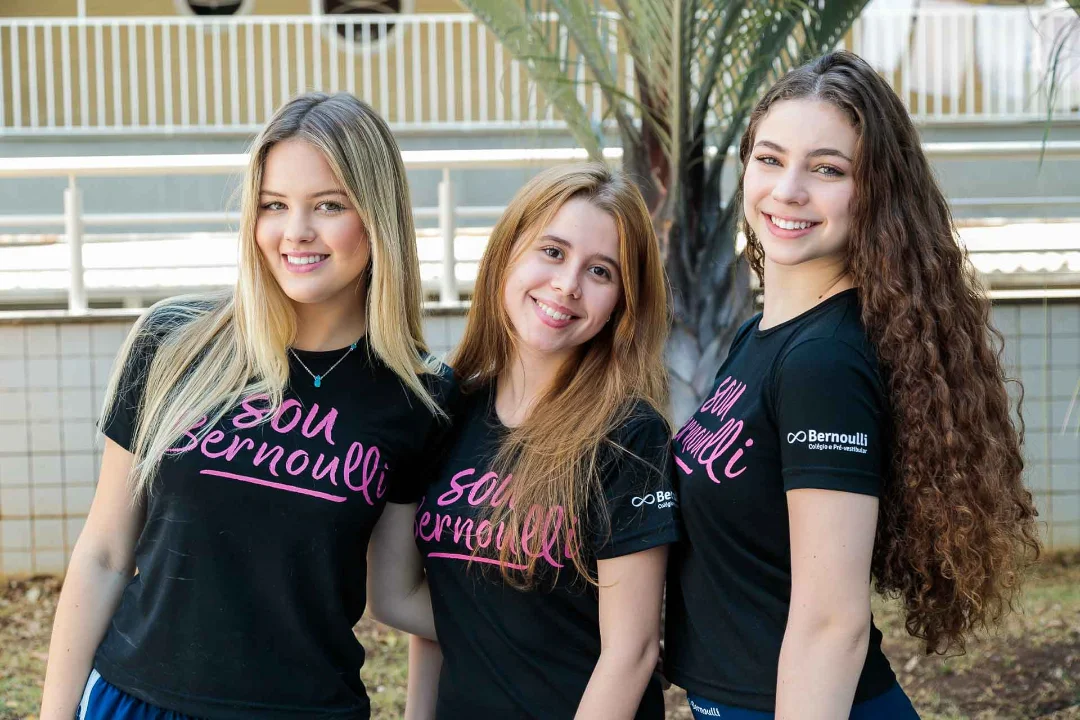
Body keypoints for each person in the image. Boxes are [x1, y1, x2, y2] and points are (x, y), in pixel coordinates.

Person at [40, 92, 450, 720]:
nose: (296, 232)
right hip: (137, 702)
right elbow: (104, 553)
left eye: (329, 205)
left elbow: (398, 594)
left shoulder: (418, 395)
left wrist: (572, 625)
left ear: (379, 217)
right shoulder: (173, 342)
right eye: (273, 205)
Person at [663, 51, 1040, 720]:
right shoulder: (759, 339)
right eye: (770, 159)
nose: (788, 190)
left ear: (875, 192)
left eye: (828, 169)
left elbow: (832, 624)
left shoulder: (822, 363)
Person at [399, 163, 679, 719]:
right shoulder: (451, 410)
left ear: (622, 301)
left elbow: (632, 652)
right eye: (552, 252)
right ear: (507, 252)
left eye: (599, 271)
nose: (567, 284)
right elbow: (440, 610)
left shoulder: (628, 434)